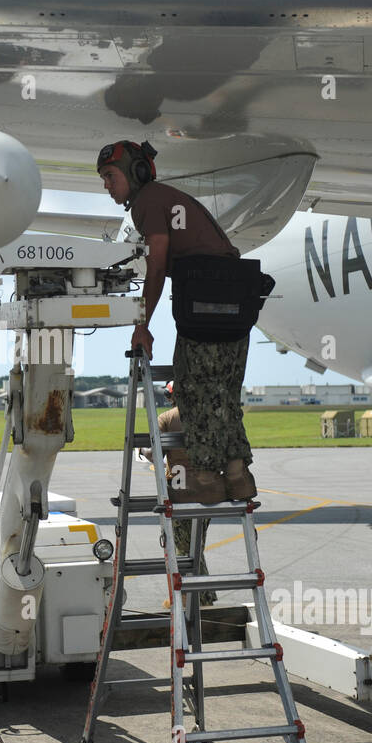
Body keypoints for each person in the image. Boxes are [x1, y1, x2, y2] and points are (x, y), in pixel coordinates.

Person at [99, 140, 263, 504]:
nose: (106, 186)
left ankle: (205, 479)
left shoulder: (148, 203)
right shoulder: (168, 198)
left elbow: (157, 264)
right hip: (237, 297)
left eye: (110, 177)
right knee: (223, 391)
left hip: (205, 299)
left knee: (190, 389)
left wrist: (142, 323)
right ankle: (237, 474)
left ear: (135, 174)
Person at [142, 382, 216, 606]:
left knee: (184, 548)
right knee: (197, 544)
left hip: (181, 489)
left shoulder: (166, 418)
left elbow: (155, 455)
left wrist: (141, 451)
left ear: (170, 396)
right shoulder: (207, 416)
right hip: (207, 489)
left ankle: (192, 597)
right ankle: (204, 594)